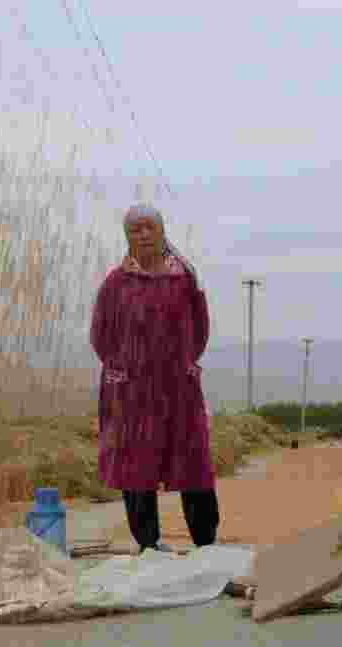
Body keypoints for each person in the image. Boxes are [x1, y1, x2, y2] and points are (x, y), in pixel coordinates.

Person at [89, 204, 219, 553]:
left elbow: (201, 328)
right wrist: (121, 368)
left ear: (162, 232)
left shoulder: (185, 278)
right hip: (130, 389)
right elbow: (100, 333)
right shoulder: (116, 283)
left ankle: (206, 542)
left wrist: (186, 362)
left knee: (192, 461)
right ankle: (148, 544)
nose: (143, 234)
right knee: (135, 464)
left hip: (179, 386)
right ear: (126, 237)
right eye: (134, 229)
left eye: (149, 227)